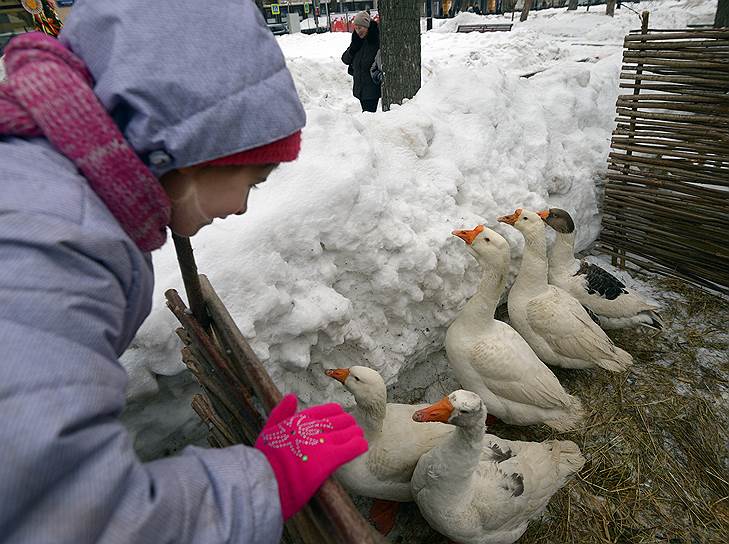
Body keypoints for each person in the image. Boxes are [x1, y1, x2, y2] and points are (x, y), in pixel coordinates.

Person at [0, 1, 368, 543]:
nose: (242, 206)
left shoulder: (40, 189)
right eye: (254, 179)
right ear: (197, 150)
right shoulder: (53, 245)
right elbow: (60, 516)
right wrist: (266, 482)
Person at [341, 11, 381, 113]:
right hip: (360, 88)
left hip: (372, 90)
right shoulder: (356, 41)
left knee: (368, 116)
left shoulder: (375, 40)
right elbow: (345, 59)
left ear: (367, 26)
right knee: (366, 115)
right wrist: (352, 50)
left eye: (360, 28)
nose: (358, 31)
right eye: (356, 28)